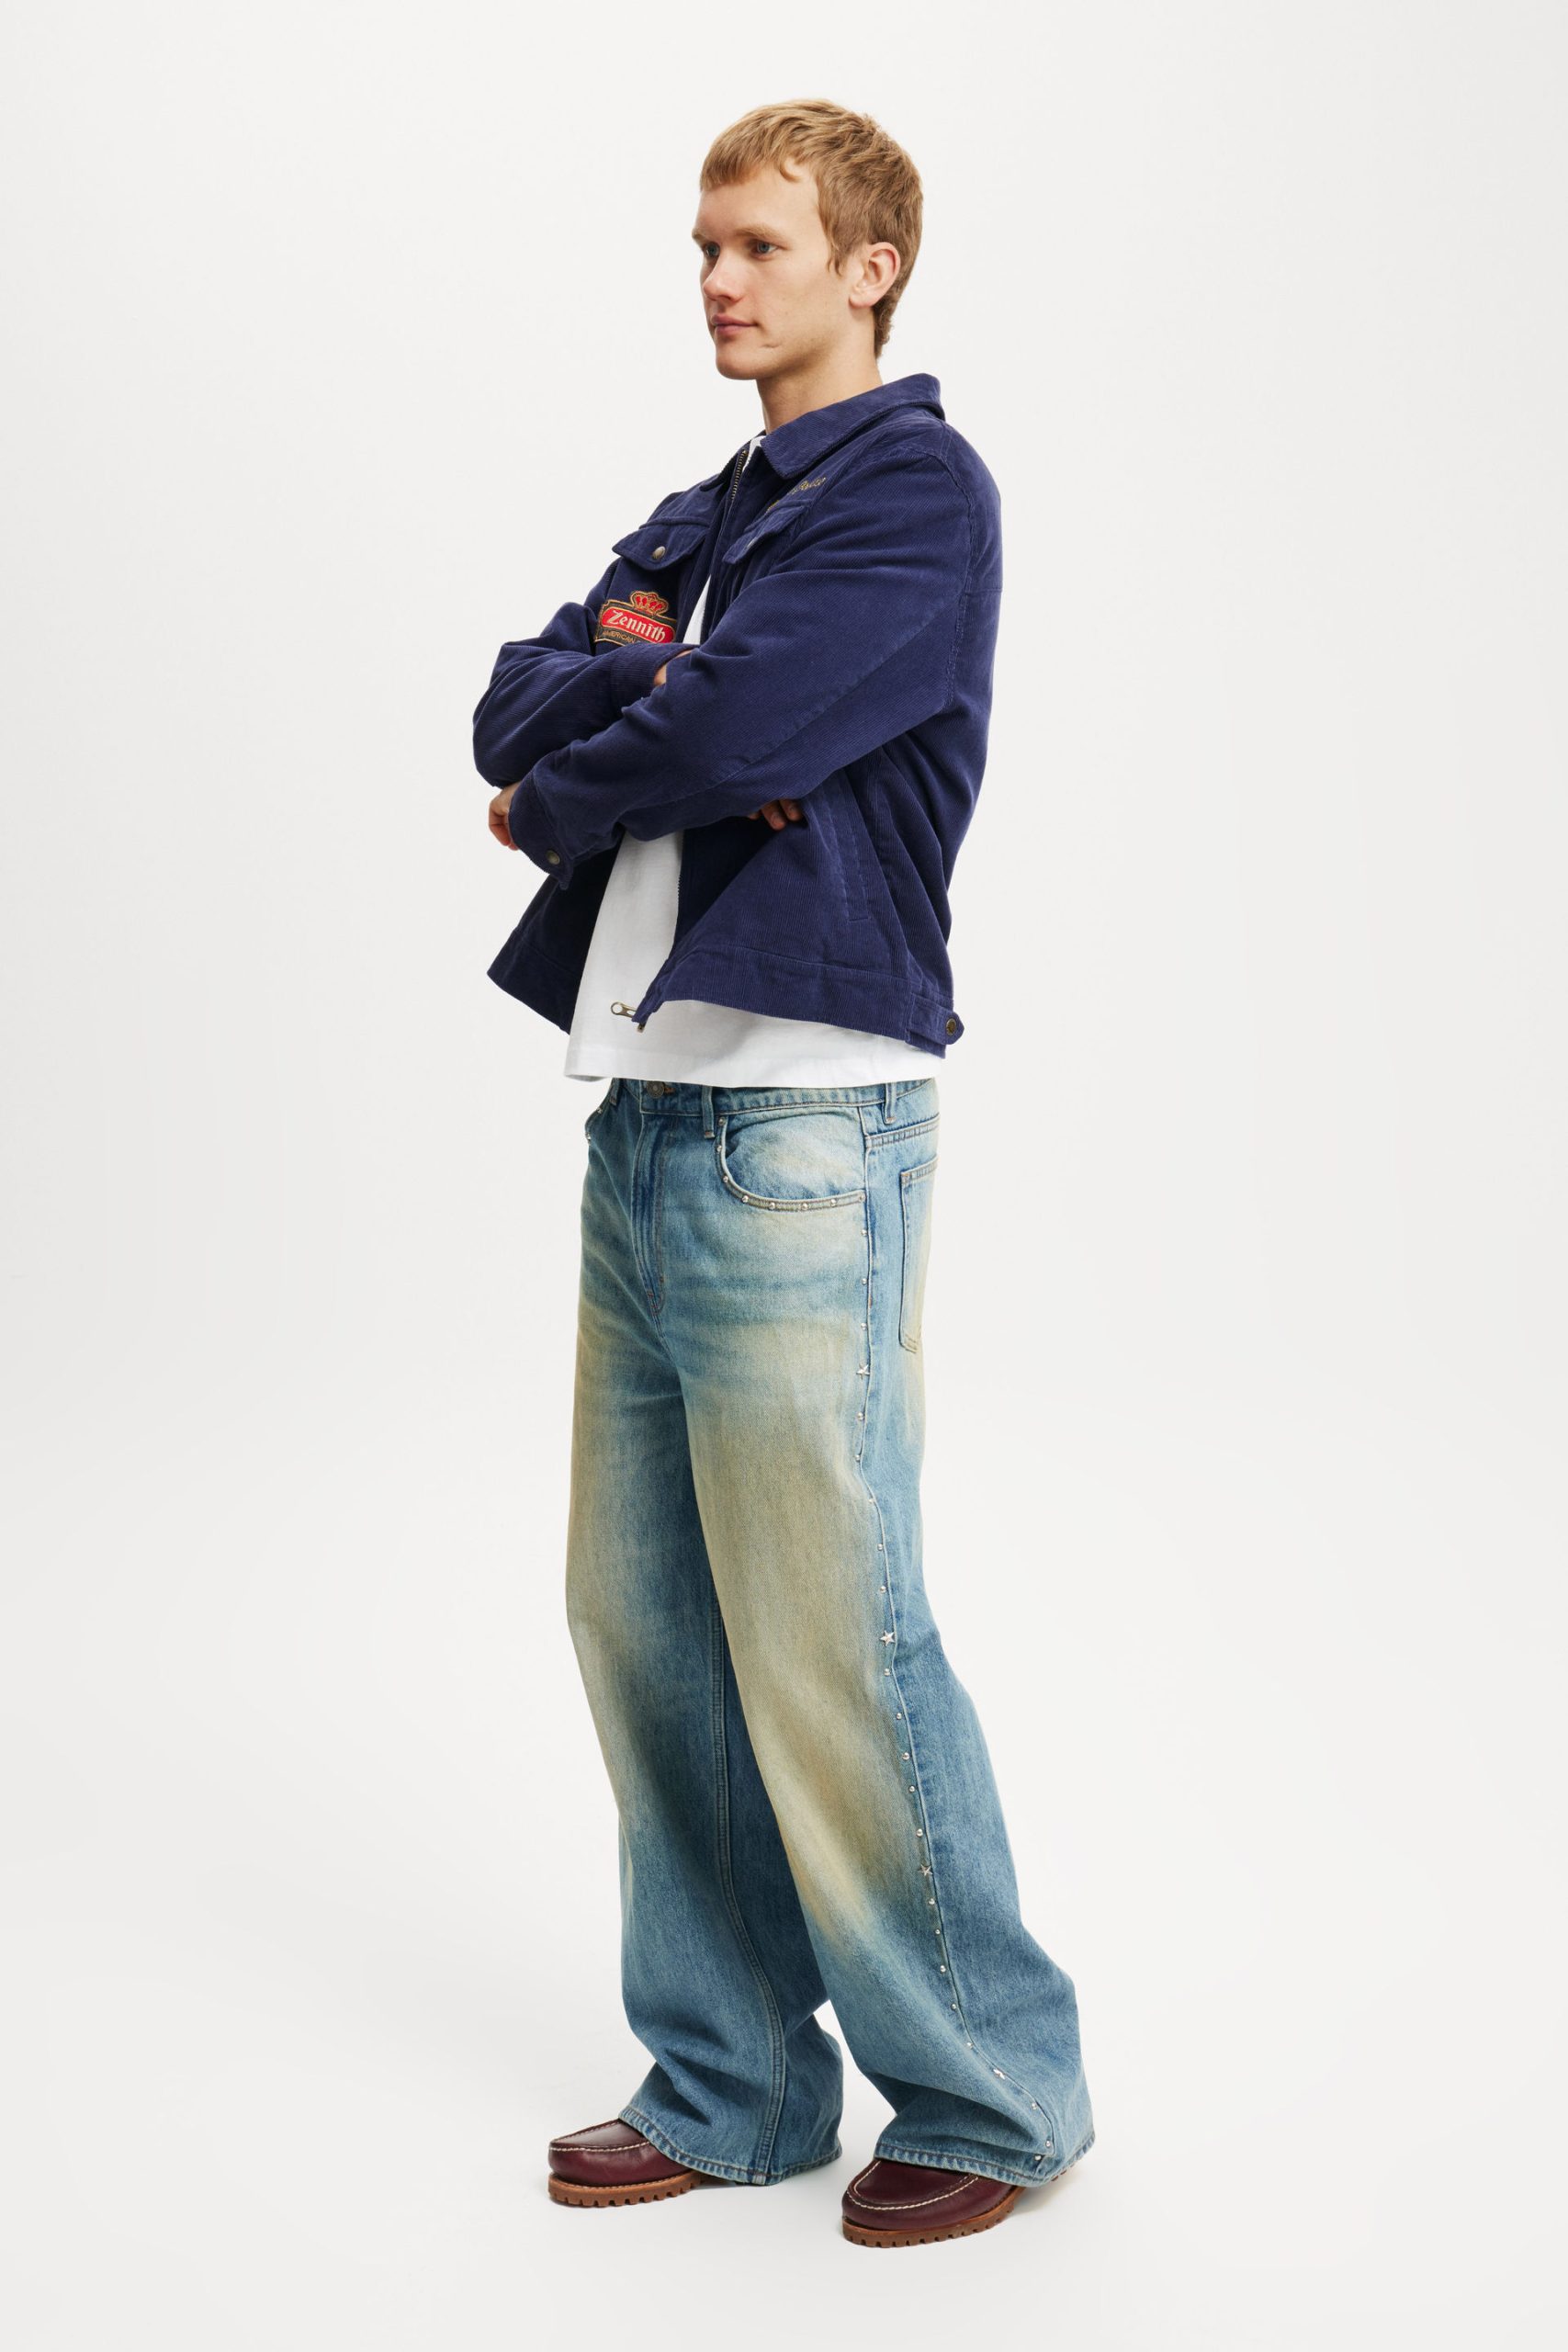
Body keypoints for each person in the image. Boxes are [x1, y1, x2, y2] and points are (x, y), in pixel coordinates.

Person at [473, 97, 1094, 2250]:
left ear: (868, 266)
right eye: (703, 246)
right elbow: (518, 695)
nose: (719, 280)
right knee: (642, 1621)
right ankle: (732, 2080)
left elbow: (717, 735)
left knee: (832, 1629)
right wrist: (628, 699)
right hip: (649, 1114)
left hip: (801, 1131)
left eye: (758, 245)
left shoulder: (911, 493)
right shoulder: (719, 504)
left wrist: (628, 735)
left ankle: (992, 2085)